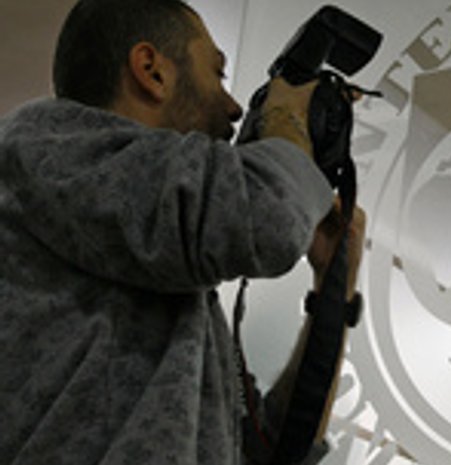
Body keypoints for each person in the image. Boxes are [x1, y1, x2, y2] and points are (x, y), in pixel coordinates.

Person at [0, 0, 365, 464]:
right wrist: (285, 118)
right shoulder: (45, 152)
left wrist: (334, 281)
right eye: (217, 74)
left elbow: (271, 449)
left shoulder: (153, 253)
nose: (235, 108)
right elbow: (266, 217)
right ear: (151, 71)